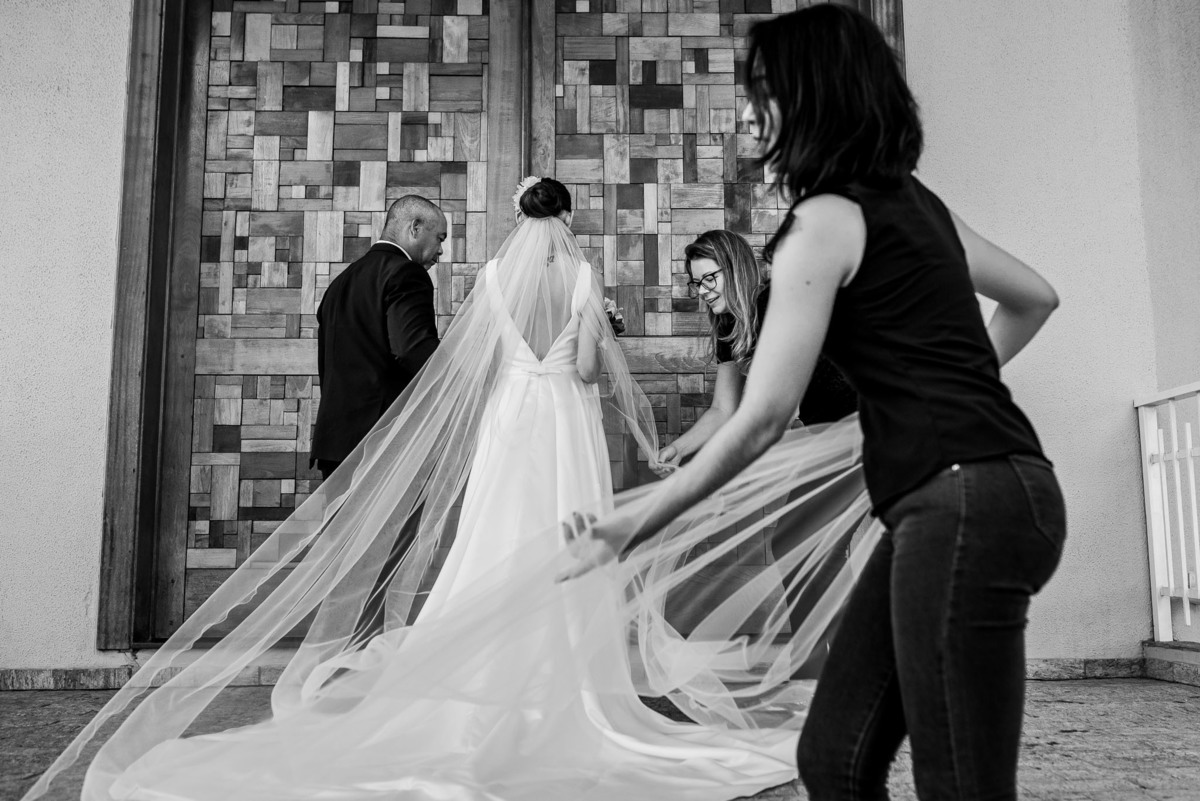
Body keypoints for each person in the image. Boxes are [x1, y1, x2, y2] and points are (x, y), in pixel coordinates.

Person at [27, 178, 830, 801]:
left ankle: (471, 687)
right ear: (568, 220)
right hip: (564, 424)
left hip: (511, 421)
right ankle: (566, 684)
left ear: (519, 217)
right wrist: (602, 333)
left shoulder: (488, 277)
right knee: (563, 543)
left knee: (493, 542)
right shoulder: (584, 277)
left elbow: (465, 367)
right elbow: (587, 371)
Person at [562, 6, 1066, 801]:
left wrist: (640, 516)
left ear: (810, 96)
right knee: (833, 756)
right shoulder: (916, 202)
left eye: (761, 90)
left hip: (962, 505)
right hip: (997, 493)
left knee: (960, 785)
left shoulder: (821, 223)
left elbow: (762, 416)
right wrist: (932, 396)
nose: (749, 111)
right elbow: (1035, 298)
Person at [654, 228, 857, 476]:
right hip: (825, 435)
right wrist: (679, 448)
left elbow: (773, 409)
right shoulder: (729, 325)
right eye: (697, 283)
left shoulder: (772, 304)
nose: (703, 291)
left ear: (734, 270)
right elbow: (723, 408)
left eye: (709, 278)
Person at [310, 194, 446, 481]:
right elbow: (413, 350)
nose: (440, 251)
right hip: (381, 440)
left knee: (341, 527)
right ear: (415, 228)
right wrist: (459, 378)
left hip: (334, 441)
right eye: (439, 238)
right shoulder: (406, 274)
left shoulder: (341, 282)